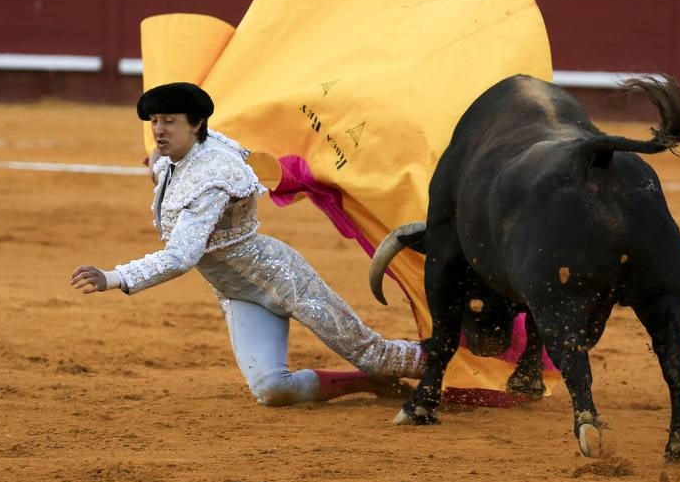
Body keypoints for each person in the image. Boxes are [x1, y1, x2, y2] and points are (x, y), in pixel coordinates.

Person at [70, 83, 425, 407]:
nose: (159, 130)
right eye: (155, 121)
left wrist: (114, 276)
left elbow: (181, 256)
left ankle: (460, 365)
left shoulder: (213, 178)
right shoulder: (177, 155)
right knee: (273, 390)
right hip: (239, 292)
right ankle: (368, 383)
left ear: (196, 125)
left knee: (374, 353)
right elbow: (175, 163)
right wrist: (155, 161)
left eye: (170, 121)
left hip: (284, 280)